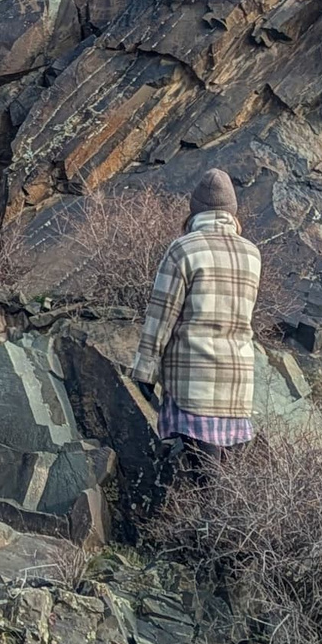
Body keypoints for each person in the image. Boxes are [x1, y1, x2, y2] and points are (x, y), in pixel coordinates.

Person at [131, 169, 261, 479]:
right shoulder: (252, 254)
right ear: (231, 212)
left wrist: (144, 373)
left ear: (195, 210)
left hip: (194, 382)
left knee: (205, 480)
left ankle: (200, 526)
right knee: (229, 482)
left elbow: (160, 317)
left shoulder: (184, 249)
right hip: (238, 384)